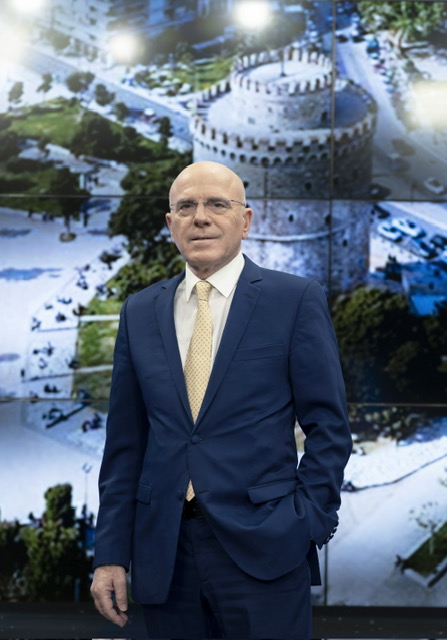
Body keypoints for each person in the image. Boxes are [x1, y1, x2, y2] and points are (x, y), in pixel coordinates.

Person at [90, 160, 352, 639]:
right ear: (171, 224)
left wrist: (307, 522)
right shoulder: (139, 311)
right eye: (186, 207)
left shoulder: (294, 300)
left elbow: (329, 427)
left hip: (267, 548)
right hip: (165, 554)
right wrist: (110, 554)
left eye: (217, 204)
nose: (200, 218)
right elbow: (125, 445)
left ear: (245, 221)